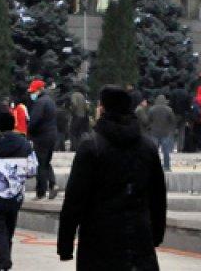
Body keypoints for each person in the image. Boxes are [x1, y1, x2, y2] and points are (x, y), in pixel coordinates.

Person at [58, 86, 166, 269]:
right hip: (138, 242)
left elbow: (74, 200)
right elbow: (158, 196)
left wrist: (65, 244)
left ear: (102, 109)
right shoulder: (147, 147)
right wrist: (156, 234)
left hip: (98, 241)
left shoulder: (92, 147)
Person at [0, 111, 37, 270]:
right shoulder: (25, 145)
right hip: (16, 195)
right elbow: (33, 169)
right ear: (14, 125)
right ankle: (5, 259)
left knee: (0, 229)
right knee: (9, 228)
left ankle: (4, 260)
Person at [26, 80, 58, 199]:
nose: (31, 94)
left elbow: (35, 120)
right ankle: (53, 184)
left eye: (33, 92)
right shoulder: (50, 101)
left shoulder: (40, 102)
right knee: (46, 162)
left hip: (41, 137)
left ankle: (41, 192)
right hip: (52, 136)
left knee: (40, 164)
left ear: (39, 90)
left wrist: (28, 132)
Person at [147, 94, 176, 172]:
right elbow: (173, 120)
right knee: (166, 151)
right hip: (165, 133)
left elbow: (148, 120)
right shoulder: (169, 110)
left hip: (154, 133)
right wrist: (171, 129)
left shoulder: (152, 109)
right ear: (165, 101)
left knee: (154, 152)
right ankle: (167, 167)